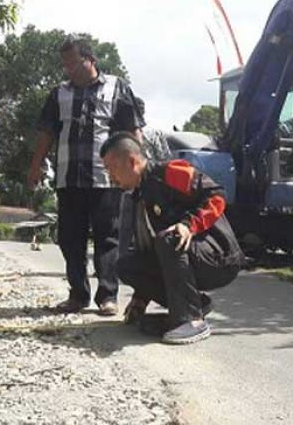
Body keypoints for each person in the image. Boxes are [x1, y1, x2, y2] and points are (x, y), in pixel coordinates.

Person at [27, 35, 145, 315]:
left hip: (107, 180)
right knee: (70, 238)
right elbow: (46, 133)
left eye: (73, 63)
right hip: (69, 178)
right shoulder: (59, 93)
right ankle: (78, 295)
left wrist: (138, 167)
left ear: (90, 60)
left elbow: (132, 130)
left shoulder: (117, 88)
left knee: (108, 238)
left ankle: (108, 296)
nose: (68, 69)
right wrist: (35, 166)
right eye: (65, 65)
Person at [101, 132, 245, 344]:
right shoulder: (139, 196)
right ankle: (197, 304)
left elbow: (216, 195)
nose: (110, 177)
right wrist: (140, 299)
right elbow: (148, 252)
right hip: (186, 255)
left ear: (132, 162)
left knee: (170, 238)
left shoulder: (168, 172)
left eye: (111, 169)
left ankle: (192, 321)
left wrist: (189, 225)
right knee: (126, 265)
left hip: (220, 257)